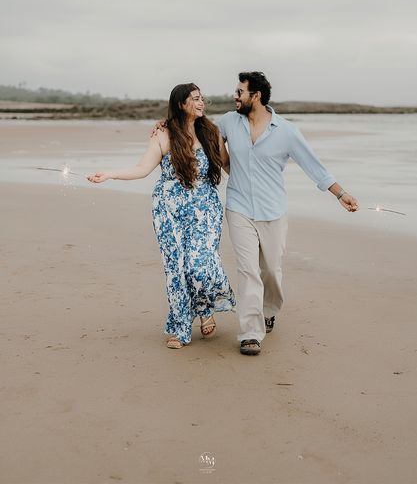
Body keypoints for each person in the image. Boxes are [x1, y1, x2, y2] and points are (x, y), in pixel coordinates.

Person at [217, 71, 359, 355]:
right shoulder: (228, 122)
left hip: (273, 210)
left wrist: (340, 194)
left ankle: (269, 310)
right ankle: (250, 333)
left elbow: (313, 166)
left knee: (270, 270)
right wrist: (165, 126)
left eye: (240, 92)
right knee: (247, 271)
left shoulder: (286, 130)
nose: (235, 96)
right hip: (239, 207)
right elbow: (201, 136)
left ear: (255, 96)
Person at [87, 83, 235, 349]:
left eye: (203, 99)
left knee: (200, 267)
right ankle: (180, 328)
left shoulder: (211, 132)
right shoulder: (163, 134)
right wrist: (109, 174)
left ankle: (204, 309)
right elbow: (143, 168)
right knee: (176, 269)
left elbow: (228, 166)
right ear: (181, 104)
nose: (202, 103)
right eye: (196, 99)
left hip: (205, 208)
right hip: (168, 209)